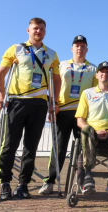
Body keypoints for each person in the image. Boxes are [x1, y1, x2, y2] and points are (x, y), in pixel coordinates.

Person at [0, 17, 60, 201]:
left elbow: (56, 79)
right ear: (28, 30)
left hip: (39, 104)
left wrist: (54, 103)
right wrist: (1, 97)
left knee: (31, 146)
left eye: (41, 29)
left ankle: (23, 184)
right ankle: (5, 183)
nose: (38, 31)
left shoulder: (52, 54)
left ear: (45, 32)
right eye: (35, 28)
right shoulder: (16, 48)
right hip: (18, 101)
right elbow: (0, 73)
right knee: (10, 144)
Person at [39, 35, 97, 195]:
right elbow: (53, 85)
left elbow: (95, 94)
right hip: (63, 110)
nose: (80, 48)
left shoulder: (93, 68)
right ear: (72, 48)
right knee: (59, 148)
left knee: (83, 149)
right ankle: (49, 181)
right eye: (77, 45)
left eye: (83, 46)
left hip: (82, 114)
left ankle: (82, 182)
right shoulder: (62, 65)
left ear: (87, 49)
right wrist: (52, 105)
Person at [75, 61, 108, 194]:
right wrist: (95, 131)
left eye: (107, 72)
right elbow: (80, 120)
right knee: (86, 129)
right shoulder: (87, 93)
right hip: (93, 132)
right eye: (102, 72)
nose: (104, 74)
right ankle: (87, 176)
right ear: (97, 75)